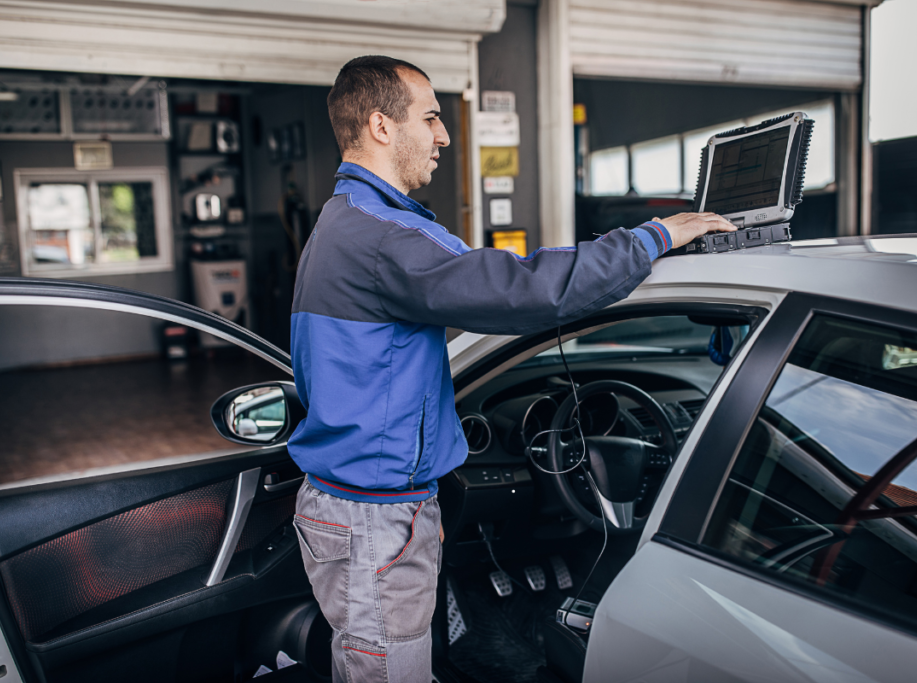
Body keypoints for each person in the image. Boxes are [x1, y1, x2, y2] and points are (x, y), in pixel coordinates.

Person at [288, 55, 736, 683]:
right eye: (432, 117)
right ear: (381, 125)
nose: (444, 136)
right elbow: (524, 290)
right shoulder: (384, 235)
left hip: (369, 511)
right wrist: (651, 238)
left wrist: (423, 508)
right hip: (373, 520)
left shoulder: (343, 223)